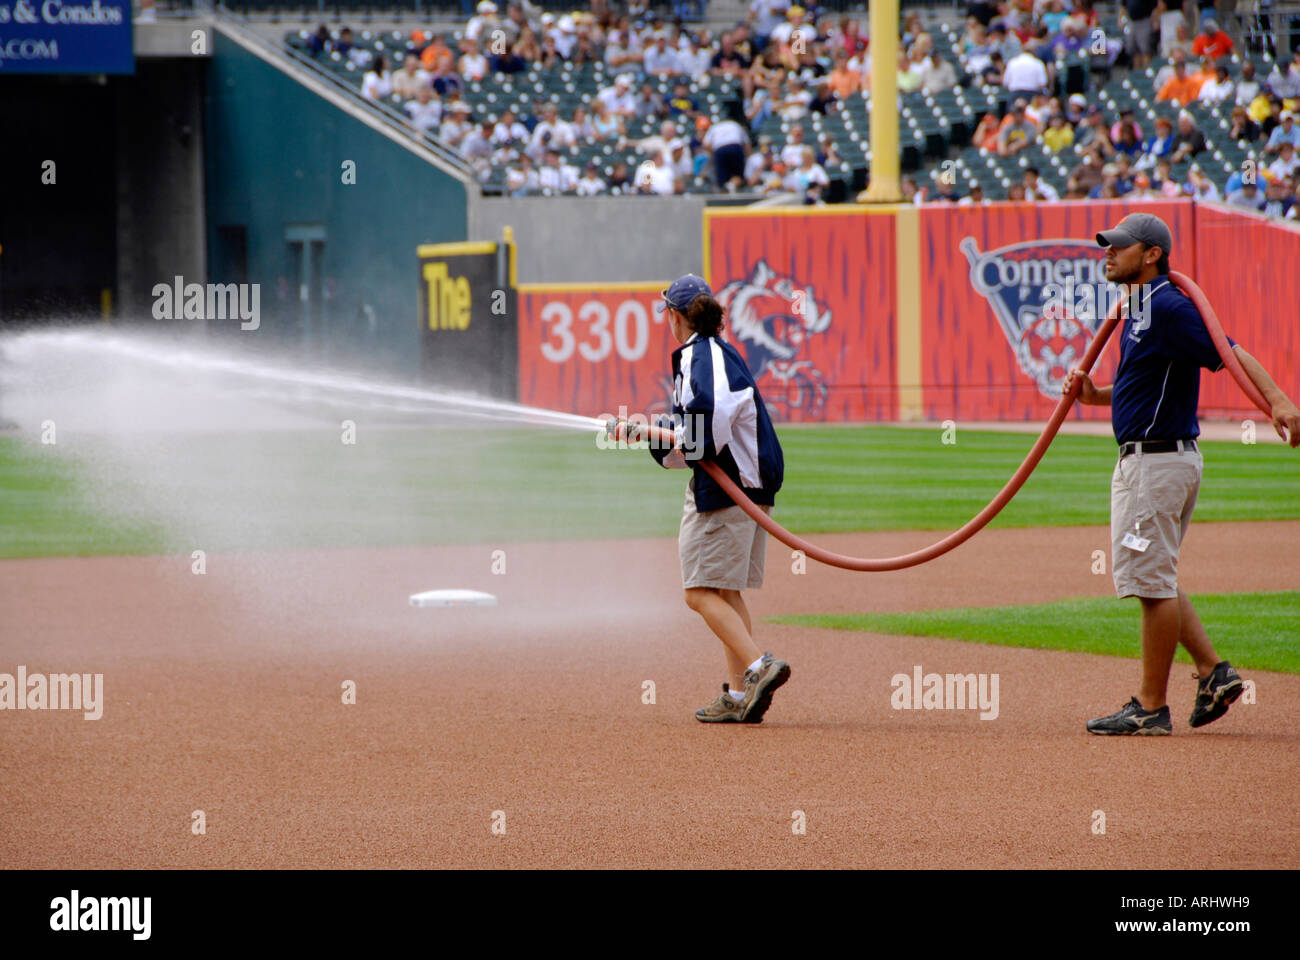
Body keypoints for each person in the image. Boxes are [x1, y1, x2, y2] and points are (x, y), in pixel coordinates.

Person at [1064, 213, 1300, 735]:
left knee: (1150, 583)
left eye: (1119, 247)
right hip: (1151, 460)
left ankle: (1150, 707)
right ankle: (1214, 672)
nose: (1107, 253)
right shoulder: (1138, 309)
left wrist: (1279, 401)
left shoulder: (1168, 305)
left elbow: (1228, 351)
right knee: (1157, 576)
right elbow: (1142, 386)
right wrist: (1094, 395)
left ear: (1151, 254)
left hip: (1157, 463)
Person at [609, 275, 790, 724]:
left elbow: (704, 438)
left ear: (674, 316)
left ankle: (757, 667)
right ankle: (735, 694)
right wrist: (646, 434)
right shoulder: (716, 354)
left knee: (697, 592)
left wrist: (648, 433)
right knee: (725, 591)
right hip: (748, 485)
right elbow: (693, 433)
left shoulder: (698, 357)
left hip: (730, 489)